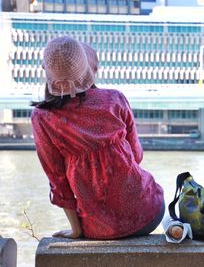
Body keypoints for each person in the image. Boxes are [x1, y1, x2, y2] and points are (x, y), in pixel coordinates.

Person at [31, 36, 165, 240]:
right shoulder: (114, 99)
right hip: (149, 213)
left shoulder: (43, 119)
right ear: (88, 71)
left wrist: (76, 231)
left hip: (102, 229)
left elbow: (57, 179)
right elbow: (136, 156)